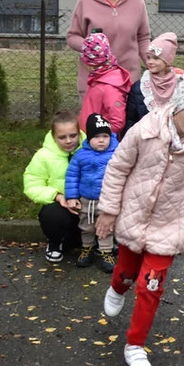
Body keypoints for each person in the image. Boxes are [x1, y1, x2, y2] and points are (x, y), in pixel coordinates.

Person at [97, 72, 184, 366]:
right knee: (125, 273)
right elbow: (118, 167)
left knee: (151, 285)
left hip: (170, 223)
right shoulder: (146, 130)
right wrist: (109, 210)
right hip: (135, 214)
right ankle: (116, 288)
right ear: (177, 105)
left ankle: (135, 345)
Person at [67, 0, 150, 97]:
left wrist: (153, 62)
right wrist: (90, 46)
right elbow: (72, 37)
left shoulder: (137, 1)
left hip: (128, 81)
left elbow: (143, 38)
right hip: (94, 81)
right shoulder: (86, 1)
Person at [24, 110, 83, 263]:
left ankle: (97, 244)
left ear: (79, 133)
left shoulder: (91, 150)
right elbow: (32, 184)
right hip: (62, 206)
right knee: (52, 215)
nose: (69, 141)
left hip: (88, 204)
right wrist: (57, 196)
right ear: (53, 136)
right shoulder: (43, 156)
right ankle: (55, 243)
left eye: (73, 135)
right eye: (62, 137)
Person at [64, 114, 119, 272]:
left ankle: (106, 252)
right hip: (86, 199)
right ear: (88, 138)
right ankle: (87, 248)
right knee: (86, 226)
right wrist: (72, 196)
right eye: (96, 137)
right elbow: (72, 176)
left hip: (106, 199)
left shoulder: (116, 153)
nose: (101, 140)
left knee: (106, 228)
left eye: (105, 136)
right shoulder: (81, 155)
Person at [123, 32, 182, 137]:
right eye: (148, 57)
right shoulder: (140, 87)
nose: (150, 61)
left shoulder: (181, 85)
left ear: (167, 60)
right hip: (145, 140)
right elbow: (131, 120)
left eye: (155, 58)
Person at [78, 32, 132, 135]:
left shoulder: (110, 87)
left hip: (99, 144)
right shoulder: (99, 77)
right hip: (89, 139)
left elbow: (117, 122)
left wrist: (98, 137)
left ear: (91, 64)